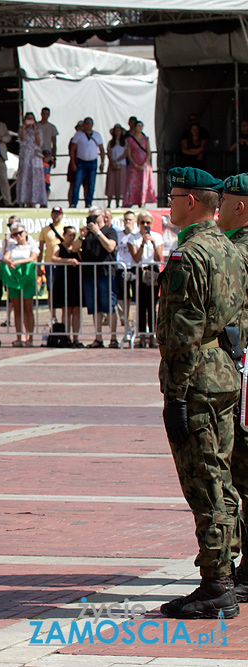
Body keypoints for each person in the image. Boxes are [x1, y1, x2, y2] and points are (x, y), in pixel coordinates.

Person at [157, 167, 244, 620]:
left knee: (203, 482)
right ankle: (225, 575)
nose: (168, 204)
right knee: (222, 477)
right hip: (225, 373)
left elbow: (181, 333)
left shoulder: (188, 256)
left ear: (192, 201)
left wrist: (176, 395)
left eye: (172, 197)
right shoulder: (230, 248)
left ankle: (216, 584)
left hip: (198, 381)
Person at [217, 172, 248, 604]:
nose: (217, 208)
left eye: (222, 201)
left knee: (243, 469)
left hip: (244, 370)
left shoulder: (239, 252)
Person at [79, 207, 118, 347]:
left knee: (109, 305)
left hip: (105, 273)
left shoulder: (110, 231)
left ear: (102, 217)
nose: (92, 220)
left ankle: (113, 338)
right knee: (94, 307)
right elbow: (76, 249)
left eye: (95, 217)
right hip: (89, 274)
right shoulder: (88, 234)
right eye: (90, 217)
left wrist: (98, 232)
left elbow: (110, 247)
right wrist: (81, 236)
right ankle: (98, 337)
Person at [127, 211, 163, 347]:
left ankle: (153, 336)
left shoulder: (157, 237)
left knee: (152, 305)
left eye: (148, 223)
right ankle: (142, 336)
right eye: (143, 222)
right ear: (138, 223)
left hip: (152, 271)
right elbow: (136, 258)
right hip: (139, 271)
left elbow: (159, 258)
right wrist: (142, 243)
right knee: (141, 306)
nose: (145, 225)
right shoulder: (133, 238)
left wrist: (153, 244)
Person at [0, 222, 39, 347]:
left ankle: (30, 337)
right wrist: (9, 261)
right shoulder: (12, 247)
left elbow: (32, 258)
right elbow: (5, 257)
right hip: (14, 279)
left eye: (20, 233)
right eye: (15, 234)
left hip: (27, 278)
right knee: (17, 309)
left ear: (25, 233)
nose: (18, 236)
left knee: (28, 309)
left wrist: (17, 262)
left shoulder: (32, 246)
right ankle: (19, 336)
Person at [51, 226, 83, 347]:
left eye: (73, 235)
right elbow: (53, 258)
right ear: (64, 235)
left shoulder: (76, 246)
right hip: (63, 279)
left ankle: (76, 338)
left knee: (76, 310)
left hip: (75, 280)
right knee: (66, 310)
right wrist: (67, 261)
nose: (71, 238)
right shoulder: (58, 246)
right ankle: (66, 337)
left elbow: (81, 256)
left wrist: (79, 243)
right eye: (69, 235)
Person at [37, 206, 66, 324]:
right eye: (54, 213)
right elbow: (41, 248)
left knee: (64, 289)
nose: (56, 216)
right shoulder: (45, 230)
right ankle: (53, 315)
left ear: (62, 215)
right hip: (49, 262)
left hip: (62, 262)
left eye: (58, 213)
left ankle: (65, 315)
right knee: (51, 289)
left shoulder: (65, 228)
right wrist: (39, 265)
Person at [69, 118, 105, 209]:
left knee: (91, 184)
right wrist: (73, 162)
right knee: (77, 183)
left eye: (90, 123)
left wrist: (102, 163)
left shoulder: (97, 135)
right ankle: (74, 203)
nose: (88, 125)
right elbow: (72, 149)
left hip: (92, 162)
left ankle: (88, 203)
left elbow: (101, 150)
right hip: (81, 161)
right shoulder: (78, 135)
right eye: (86, 123)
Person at [17, 112, 47, 207]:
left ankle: (35, 201)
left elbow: (39, 143)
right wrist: (24, 127)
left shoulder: (38, 130)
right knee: (25, 178)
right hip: (25, 157)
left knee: (36, 179)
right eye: (28, 118)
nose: (30, 120)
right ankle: (26, 200)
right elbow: (22, 140)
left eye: (31, 118)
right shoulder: (22, 130)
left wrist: (34, 129)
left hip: (35, 158)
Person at [123, 120, 156, 207]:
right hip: (134, 164)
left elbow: (149, 152)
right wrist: (134, 164)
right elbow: (129, 153)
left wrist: (145, 164)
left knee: (143, 183)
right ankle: (130, 202)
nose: (140, 128)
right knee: (132, 184)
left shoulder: (145, 139)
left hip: (144, 164)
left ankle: (142, 202)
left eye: (141, 126)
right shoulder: (129, 139)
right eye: (138, 126)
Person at [105, 124, 127, 208]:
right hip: (112, 165)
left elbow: (125, 153)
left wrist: (117, 160)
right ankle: (109, 203)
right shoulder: (111, 143)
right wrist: (112, 162)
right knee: (111, 183)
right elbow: (109, 153)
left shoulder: (124, 142)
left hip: (121, 164)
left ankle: (118, 203)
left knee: (119, 183)